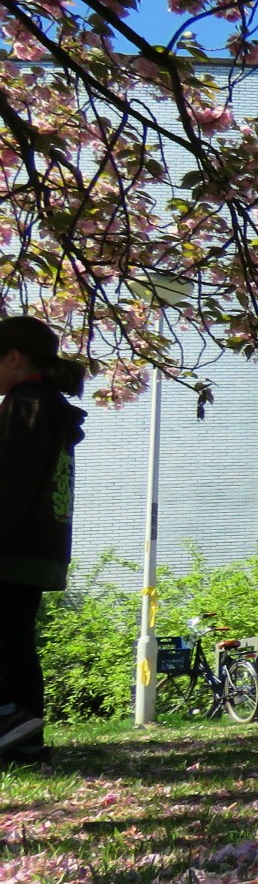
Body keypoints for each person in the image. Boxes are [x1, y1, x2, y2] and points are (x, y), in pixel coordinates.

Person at [0, 317, 86, 765]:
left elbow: (11, 482)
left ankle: (14, 724)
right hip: (39, 548)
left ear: (14, 357)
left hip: (11, 547)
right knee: (15, 642)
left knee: (9, 641)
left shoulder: (27, 405)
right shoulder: (48, 407)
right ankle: (25, 742)